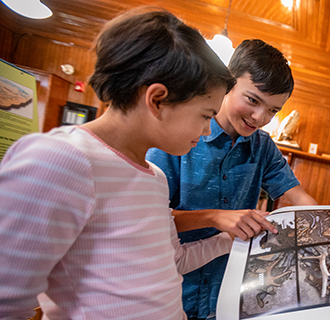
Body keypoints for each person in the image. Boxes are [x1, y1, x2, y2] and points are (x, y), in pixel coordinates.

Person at [0, 8, 237, 319]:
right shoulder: (60, 159)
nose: (208, 130)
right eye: (206, 115)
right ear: (157, 100)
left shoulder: (154, 177)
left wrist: (230, 240)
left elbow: (172, 262)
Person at [146, 39, 317, 320]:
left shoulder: (262, 146)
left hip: (228, 294)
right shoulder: (179, 133)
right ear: (228, 82)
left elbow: (301, 199)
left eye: (273, 110)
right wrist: (216, 217)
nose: (260, 117)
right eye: (252, 100)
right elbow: (149, 220)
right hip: (171, 292)